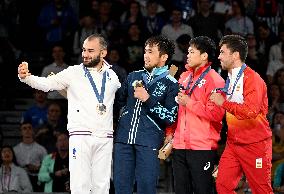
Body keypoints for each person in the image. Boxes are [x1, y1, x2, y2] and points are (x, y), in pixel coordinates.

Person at [18, 33, 121, 194]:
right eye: (84, 50)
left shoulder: (113, 76)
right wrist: (27, 78)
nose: (85, 54)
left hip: (104, 137)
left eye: (90, 51)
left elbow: (118, 99)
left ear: (103, 53)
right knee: (80, 185)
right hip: (80, 136)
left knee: (102, 185)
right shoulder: (73, 72)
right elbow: (47, 84)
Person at [113, 35, 179, 194]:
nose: (145, 55)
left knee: (146, 188)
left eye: (150, 52)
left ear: (164, 57)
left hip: (148, 141)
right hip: (123, 140)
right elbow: (117, 102)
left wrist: (148, 100)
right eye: (145, 51)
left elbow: (171, 117)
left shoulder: (172, 83)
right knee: (121, 188)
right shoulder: (133, 76)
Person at [210, 34, 273, 194]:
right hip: (233, 143)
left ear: (235, 55)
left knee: (261, 190)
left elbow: (251, 111)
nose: (219, 57)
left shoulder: (253, 79)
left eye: (223, 52)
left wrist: (222, 102)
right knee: (222, 186)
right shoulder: (230, 77)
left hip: (255, 144)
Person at [166, 36, 225, 194]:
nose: (188, 55)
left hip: (202, 146)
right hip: (180, 145)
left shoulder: (216, 80)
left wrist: (189, 102)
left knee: (202, 190)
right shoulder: (184, 76)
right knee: (180, 190)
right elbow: (177, 109)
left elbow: (216, 114)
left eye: (192, 52)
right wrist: (170, 133)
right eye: (187, 52)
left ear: (204, 56)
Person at [13, 121, 47, 192]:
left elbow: (47, 166)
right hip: (20, 179)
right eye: (24, 128)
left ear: (33, 131)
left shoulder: (41, 149)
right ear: (21, 132)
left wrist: (38, 168)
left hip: (36, 178)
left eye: (29, 128)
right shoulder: (15, 150)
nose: (27, 130)